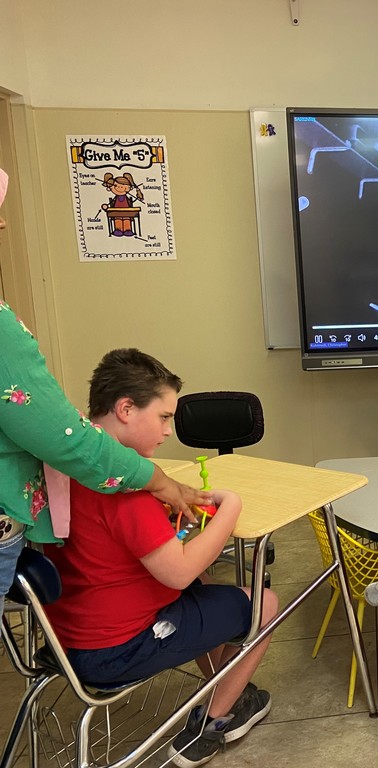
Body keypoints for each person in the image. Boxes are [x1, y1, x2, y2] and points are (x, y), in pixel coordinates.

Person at [42, 348, 279, 768]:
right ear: (126, 409)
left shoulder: (67, 464)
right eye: (164, 417)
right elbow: (177, 571)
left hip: (63, 637)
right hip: (112, 650)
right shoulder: (125, 485)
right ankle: (213, 722)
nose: (169, 431)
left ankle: (225, 688)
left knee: (200, 586)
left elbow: (129, 550)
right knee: (265, 602)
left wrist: (183, 527)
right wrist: (230, 509)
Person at [0, 166, 207, 616]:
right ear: (126, 408)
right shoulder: (122, 485)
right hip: (109, 637)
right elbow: (62, 439)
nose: (3, 224)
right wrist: (162, 483)